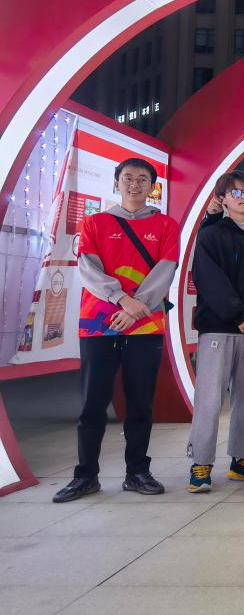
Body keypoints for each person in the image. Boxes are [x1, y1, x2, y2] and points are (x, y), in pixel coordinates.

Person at [53, 158, 179, 503]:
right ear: (116, 182)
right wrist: (123, 300)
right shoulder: (94, 222)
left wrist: (137, 306)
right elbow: (88, 269)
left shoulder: (166, 225)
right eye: (128, 178)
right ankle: (85, 476)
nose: (135, 184)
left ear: (152, 186)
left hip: (146, 324)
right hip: (99, 324)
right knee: (92, 403)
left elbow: (165, 270)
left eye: (142, 179)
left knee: (140, 403)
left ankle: (137, 472)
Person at [187, 171, 244, 492]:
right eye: (235, 192)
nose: (243, 197)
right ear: (222, 199)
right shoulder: (211, 235)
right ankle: (201, 463)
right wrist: (239, 315)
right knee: (209, 400)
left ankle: (242, 459)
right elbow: (209, 280)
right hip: (218, 328)